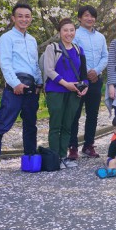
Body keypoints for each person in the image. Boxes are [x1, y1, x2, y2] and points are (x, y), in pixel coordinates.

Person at [0, 3, 43, 175]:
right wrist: (14, 83)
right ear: (13, 18)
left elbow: (34, 64)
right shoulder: (6, 38)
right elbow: (6, 64)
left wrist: (39, 83)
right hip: (15, 86)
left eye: (27, 16)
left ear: (31, 18)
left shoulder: (32, 40)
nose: (24, 19)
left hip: (32, 86)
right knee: (3, 123)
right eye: (20, 16)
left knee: (31, 124)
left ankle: (30, 157)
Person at [43, 18, 89, 169]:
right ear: (59, 32)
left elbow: (83, 73)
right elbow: (49, 70)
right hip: (56, 91)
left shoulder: (78, 49)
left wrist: (85, 86)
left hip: (74, 92)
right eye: (65, 30)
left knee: (68, 125)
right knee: (56, 124)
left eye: (71, 30)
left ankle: (64, 156)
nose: (69, 33)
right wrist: (65, 84)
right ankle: (55, 157)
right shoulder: (52, 48)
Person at [69, 5, 108, 160]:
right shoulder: (75, 35)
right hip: (79, 80)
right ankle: (72, 147)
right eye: (86, 15)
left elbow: (105, 56)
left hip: (96, 79)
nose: (89, 18)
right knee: (75, 113)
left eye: (92, 16)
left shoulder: (100, 37)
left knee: (93, 114)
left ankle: (89, 145)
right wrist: (85, 74)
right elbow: (72, 56)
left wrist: (96, 71)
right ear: (79, 18)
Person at [96, 114, 116, 179]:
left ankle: (110, 170)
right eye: (114, 128)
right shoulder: (115, 136)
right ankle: (111, 168)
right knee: (114, 143)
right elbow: (112, 150)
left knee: (115, 144)